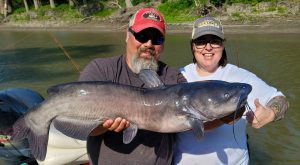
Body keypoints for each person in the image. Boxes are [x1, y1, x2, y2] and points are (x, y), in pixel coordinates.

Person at [173, 16, 289, 165]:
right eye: (201, 41)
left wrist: (271, 112)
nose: (208, 47)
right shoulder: (177, 76)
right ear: (193, 46)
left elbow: (280, 99)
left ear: (223, 45)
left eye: (215, 41)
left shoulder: (242, 78)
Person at [79, 8, 186, 165]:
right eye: (142, 36)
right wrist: (103, 126)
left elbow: (196, 118)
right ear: (127, 36)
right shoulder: (101, 70)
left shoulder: (172, 77)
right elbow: (83, 127)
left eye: (157, 39)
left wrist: (227, 116)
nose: (148, 44)